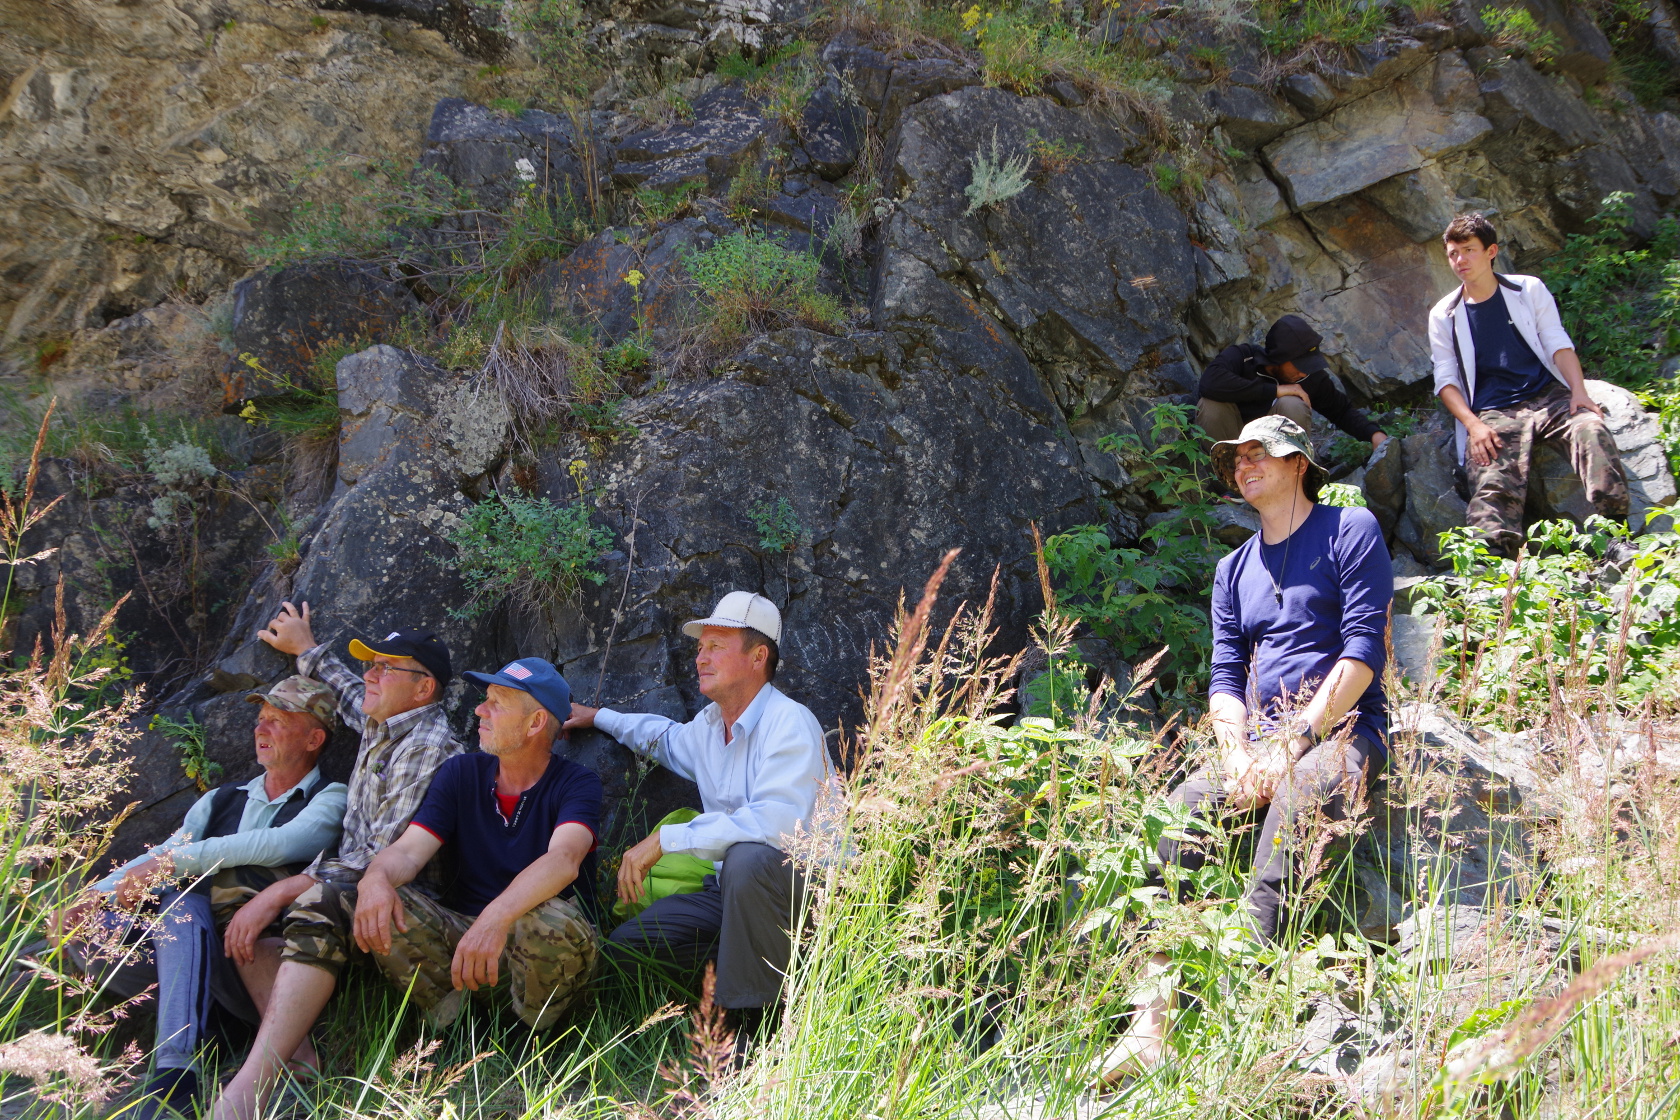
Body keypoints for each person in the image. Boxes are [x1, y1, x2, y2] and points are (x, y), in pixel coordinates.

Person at [1098, 416, 1392, 1083]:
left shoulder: (1351, 530)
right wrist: (1235, 757)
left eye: (1262, 452)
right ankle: (1153, 1018)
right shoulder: (1233, 568)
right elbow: (1226, 677)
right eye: (1237, 456)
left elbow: (1362, 654)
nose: (1245, 462)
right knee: (1182, 811)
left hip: (1344, 732)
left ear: (1299, 463)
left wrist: (1291, 745)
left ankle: (1238, 999)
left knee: (1299, 797)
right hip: (1255, 743)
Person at [49, 677, 348, 1120]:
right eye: (260, 719)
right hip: (183, 956)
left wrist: (172, 867)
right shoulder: (220, 799)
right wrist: (95, 896)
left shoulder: (332, 798)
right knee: (96, 929)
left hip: (257, 971)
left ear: (314, 738)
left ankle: (177, 1075)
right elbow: (163, 853)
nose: (261, 729)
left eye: (278, 721)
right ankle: (196, 1031)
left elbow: (278, 845)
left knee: (180, 900)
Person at [211, 606, 463, 1120]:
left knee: (306, 894)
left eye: (385, 667)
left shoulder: (431, 747)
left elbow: (384, 861)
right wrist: (306, 649)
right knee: (235, 887)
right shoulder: (383, 719)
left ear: (423, 689)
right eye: (371, 664)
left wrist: (283, 891)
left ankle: (248, 1086)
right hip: (347, 882)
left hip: (401, 907)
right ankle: (299, 1059)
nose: (371, 674)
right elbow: (350, 695)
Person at [564, 591, 834, 1043]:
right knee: (628, 951)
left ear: (758, 656)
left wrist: (669, 838)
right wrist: (600, 717)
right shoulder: (710, 726)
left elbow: (775, 824)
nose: (700, 658)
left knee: (749, 858)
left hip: (809, 897)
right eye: (699, 648)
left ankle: (750, 1030)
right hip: (729, 892)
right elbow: (663, 739)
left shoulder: (790, 722)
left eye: (716, 647)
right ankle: (754, 980)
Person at [348, 657, 602, 1031]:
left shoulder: (577, 783)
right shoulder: (461, 773)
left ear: (535, 723)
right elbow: (407, 851)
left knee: (550, 920)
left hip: (534, 954)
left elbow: (564, 859)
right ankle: (455, 1031)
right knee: (384, 902)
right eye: (485, 699)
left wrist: (494, 919)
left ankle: (534, 1042)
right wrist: (374, 880)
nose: (480, 710)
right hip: (466, 941)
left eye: (497, 703)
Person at [1428, 212, 1629, 556]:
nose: (1460, 260)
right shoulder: (1443, 313)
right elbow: (1445, 380)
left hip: (1546, 395)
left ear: (1491, 251)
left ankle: (1614, 535)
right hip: (1493, 409)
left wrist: (1579, 392)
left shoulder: (1527, 289)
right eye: (1452, 253)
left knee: (1591, 430)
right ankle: (1495, 566)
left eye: (1468, 250)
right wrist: (1473, 426)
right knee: (1490, 475)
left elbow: (1557, 342)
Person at [1195, 314, 1388, 451]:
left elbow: (1341, 410)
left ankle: (1289, 479)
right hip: (1231, 448)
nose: (1304, 371)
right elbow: (1209, 383)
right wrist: (1276, 390)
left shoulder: (1310, 377)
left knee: (1293, 402)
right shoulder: (1243, 357)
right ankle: (1227, 486)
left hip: (1273, 458)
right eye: (1299, 364)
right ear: (1279, 357)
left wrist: (1374, 434)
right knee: (1211, 403)